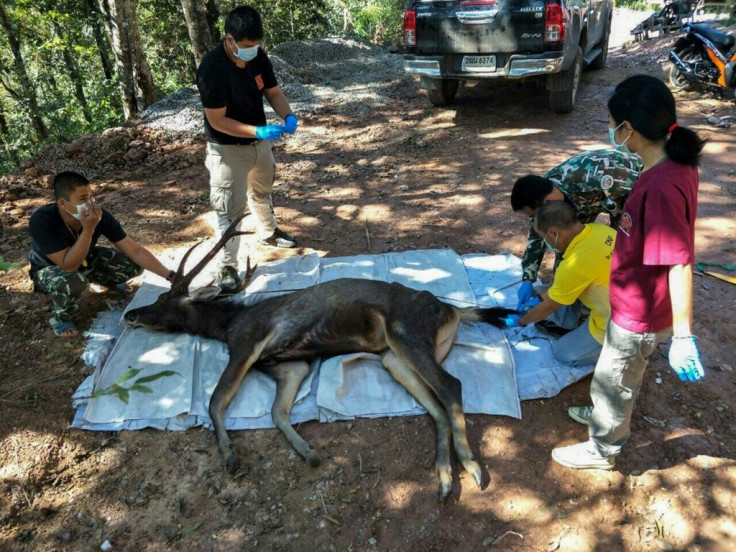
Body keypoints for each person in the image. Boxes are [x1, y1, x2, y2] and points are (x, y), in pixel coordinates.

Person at [551, 74, 706, 471]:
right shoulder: (670, 165)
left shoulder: (661, 185)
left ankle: (602, 449)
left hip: (640, 314)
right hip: (634, 302)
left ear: (629, 129)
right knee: (617, 375)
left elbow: (679, 261)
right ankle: (606, 415)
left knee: (615, 376)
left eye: (612, 122)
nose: (610, 129)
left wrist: (684, 335)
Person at [197, 5, 299, 291]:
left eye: (256, 45)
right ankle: (227, 265)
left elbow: (274, 92)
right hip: (228, 148)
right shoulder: (212, 68)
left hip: (260, 144)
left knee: (263, 190)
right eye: (246, 46)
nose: (252, 50)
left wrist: (287, 116)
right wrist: (256, 130)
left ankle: (268, 232)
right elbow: (217, 121)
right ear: (229, 39)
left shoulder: (258, 57)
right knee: (229, 209)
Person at [29, 171, 175, 337]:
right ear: (63, 203)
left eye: (91, 196)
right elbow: (68, 266)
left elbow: (135, 250)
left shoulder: (99, 215)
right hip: (51, 270)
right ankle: (60, 319)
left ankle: (107, 282)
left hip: (84, 261)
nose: (90, 203)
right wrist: (88, 229)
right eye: (83, 199)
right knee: (73, 281)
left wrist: (170, 276)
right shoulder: (42, 220)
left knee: (131, 264)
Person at [510, 149, 642, 332]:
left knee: (620, 250)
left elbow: (640, 192)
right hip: (595, 200)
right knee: (569, 260)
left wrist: (620, 239)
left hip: (626, 188)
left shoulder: (593, 179)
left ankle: (626, 308)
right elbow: (537, 236)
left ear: (547, 204)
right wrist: (528, 278)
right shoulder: (542, 195)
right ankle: (566, 317)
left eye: (533, 214)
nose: (533, 218)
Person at [503, 201, 615, 367]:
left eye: (544, 237)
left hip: (623, 324)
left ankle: (623, 352)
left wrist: (521, 321)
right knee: (556, 289)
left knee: (563, 353)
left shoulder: (574, 266)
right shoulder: (601, 229)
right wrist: (537, 298)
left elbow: (548, 306)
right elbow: (558, 290)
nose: (546, 243)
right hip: (634, 299)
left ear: (554, 234)